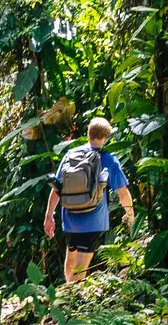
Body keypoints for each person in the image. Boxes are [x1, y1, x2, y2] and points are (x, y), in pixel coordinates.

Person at [43, 116, 135, 285]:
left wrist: (49, 217)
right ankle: (69, 301)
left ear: (88, 134)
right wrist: (131, 215)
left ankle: (66, 293)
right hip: (93, 220)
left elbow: (56, 189)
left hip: (70, 217)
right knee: (81, 265)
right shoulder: (108, 160)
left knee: (71, 258)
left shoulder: (71, 155)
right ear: (105, 137)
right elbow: (123, 193)